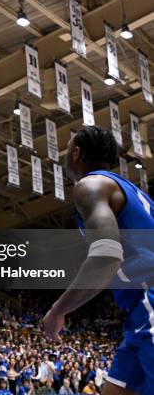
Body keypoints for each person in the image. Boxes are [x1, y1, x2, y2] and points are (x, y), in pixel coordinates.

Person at [42, 126, 154, 395]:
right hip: (139, 310)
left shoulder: (90, 185)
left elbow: (106, 255)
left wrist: (58, 310)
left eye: (68, 150)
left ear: (77, 153)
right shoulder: (133, 194)